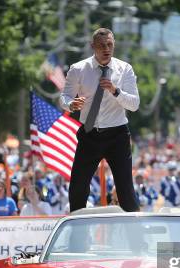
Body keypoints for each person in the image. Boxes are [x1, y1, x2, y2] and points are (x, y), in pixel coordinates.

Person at [60, 28, 140, 212]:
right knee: (78, 188)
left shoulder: (124, 69)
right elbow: (64, 97)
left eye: (110, 45)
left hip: (117, 134)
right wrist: (71, 104)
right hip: (89, 133)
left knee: (125, 190)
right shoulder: (78, 69)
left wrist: (115, 90)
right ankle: (77, 233)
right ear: (92, 46)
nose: (106, 49)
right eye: (102, 45)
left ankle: (137, 236)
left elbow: (134, 104)